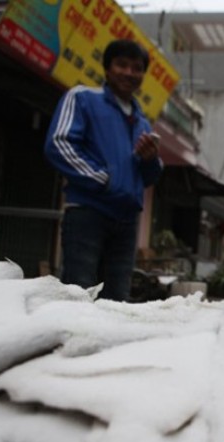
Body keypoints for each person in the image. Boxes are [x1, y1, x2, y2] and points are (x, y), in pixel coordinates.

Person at [44, 39, 162, 301]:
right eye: (122, 65)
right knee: (79, 293)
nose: (129, 73)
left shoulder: (142, 122)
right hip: (88, 213)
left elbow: (150, 176)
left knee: (117, 300)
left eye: (137, 68)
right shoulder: (83, 98)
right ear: (107, 69)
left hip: (127, 221)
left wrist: (150, 159)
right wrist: (103, 180)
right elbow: (59, 143)